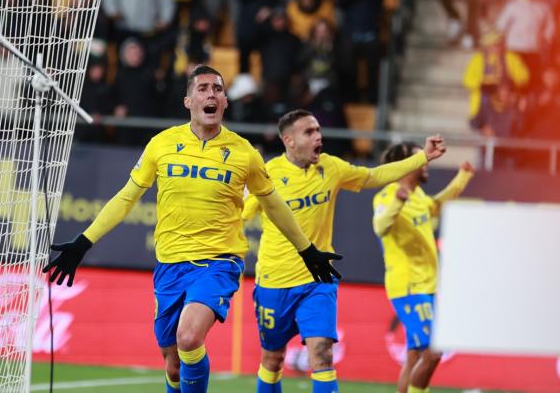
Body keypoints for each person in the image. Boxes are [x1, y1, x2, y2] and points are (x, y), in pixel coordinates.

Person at [43, 66, 341, 393]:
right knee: (172, 362)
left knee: (188, 337)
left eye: (217, 89)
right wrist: (84, 242)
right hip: (170, 266)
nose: (211, 93)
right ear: (188, 101)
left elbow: (273, 205)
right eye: (203, 89)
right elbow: (126, 198)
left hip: (218, 263)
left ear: (225, 102)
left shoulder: (244, 153)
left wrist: (307, 249)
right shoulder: (162, 144)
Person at [242, 110, 447, 393]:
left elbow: (375, 175)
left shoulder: (331, 167)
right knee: (273, 359)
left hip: (318, 281)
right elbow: (239, 216)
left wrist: (422, 156)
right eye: (309, 132)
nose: (318, 136)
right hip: (274, 281)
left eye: (318, 130)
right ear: (289, 140)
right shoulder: (268, 175)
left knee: (322, 355)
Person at [372, 143, 474, 393]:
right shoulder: (387, 195)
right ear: (407, 165)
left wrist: (462, 178)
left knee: (415, 356)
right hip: (409, 286)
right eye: (422, 158)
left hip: (425, 285)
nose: (427, 163)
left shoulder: (417, 195)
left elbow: (436, 205)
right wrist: (397, 202)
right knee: (433, 351)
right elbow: (380, 226)